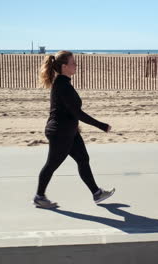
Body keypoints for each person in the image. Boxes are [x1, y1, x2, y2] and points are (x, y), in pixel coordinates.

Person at [33, 51, 115, 208]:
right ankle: (39, 196)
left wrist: (75, 126)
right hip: (60, 133)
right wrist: (101, 125)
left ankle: (97, 193)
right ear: (64, 67)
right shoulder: (63, 85)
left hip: (69, 131)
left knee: (83, 159)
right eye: (73, 63)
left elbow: (69, 111)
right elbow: (77, 113)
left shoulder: (64, 83)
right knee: (51, 164)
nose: (76, 65)